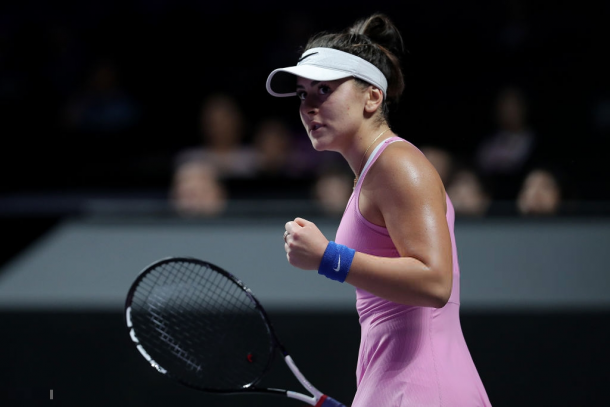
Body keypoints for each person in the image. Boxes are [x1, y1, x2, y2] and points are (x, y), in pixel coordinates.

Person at [266, 13, 491, 407]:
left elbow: (435, 283)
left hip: (424, 389)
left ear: (372, 97)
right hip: (395, 385)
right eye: (303, 94)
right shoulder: (372, 174)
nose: (308, 107)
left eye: (324, 89)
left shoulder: (398, 163)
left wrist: (327, 258)